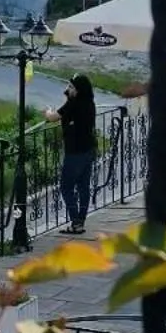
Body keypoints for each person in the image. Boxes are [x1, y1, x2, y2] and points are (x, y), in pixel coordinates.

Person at [46, 74, 97, 233]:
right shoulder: (89, 103)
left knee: (66, 187)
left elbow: (53, 117)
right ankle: (81, 220)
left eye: (71, 87)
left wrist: (48, 111)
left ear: (78, 90)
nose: (68, 89)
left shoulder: (74, 105)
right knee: (83, 186)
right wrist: (69, 97)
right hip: (88, 150)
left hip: (74, 152)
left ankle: (75, 222)